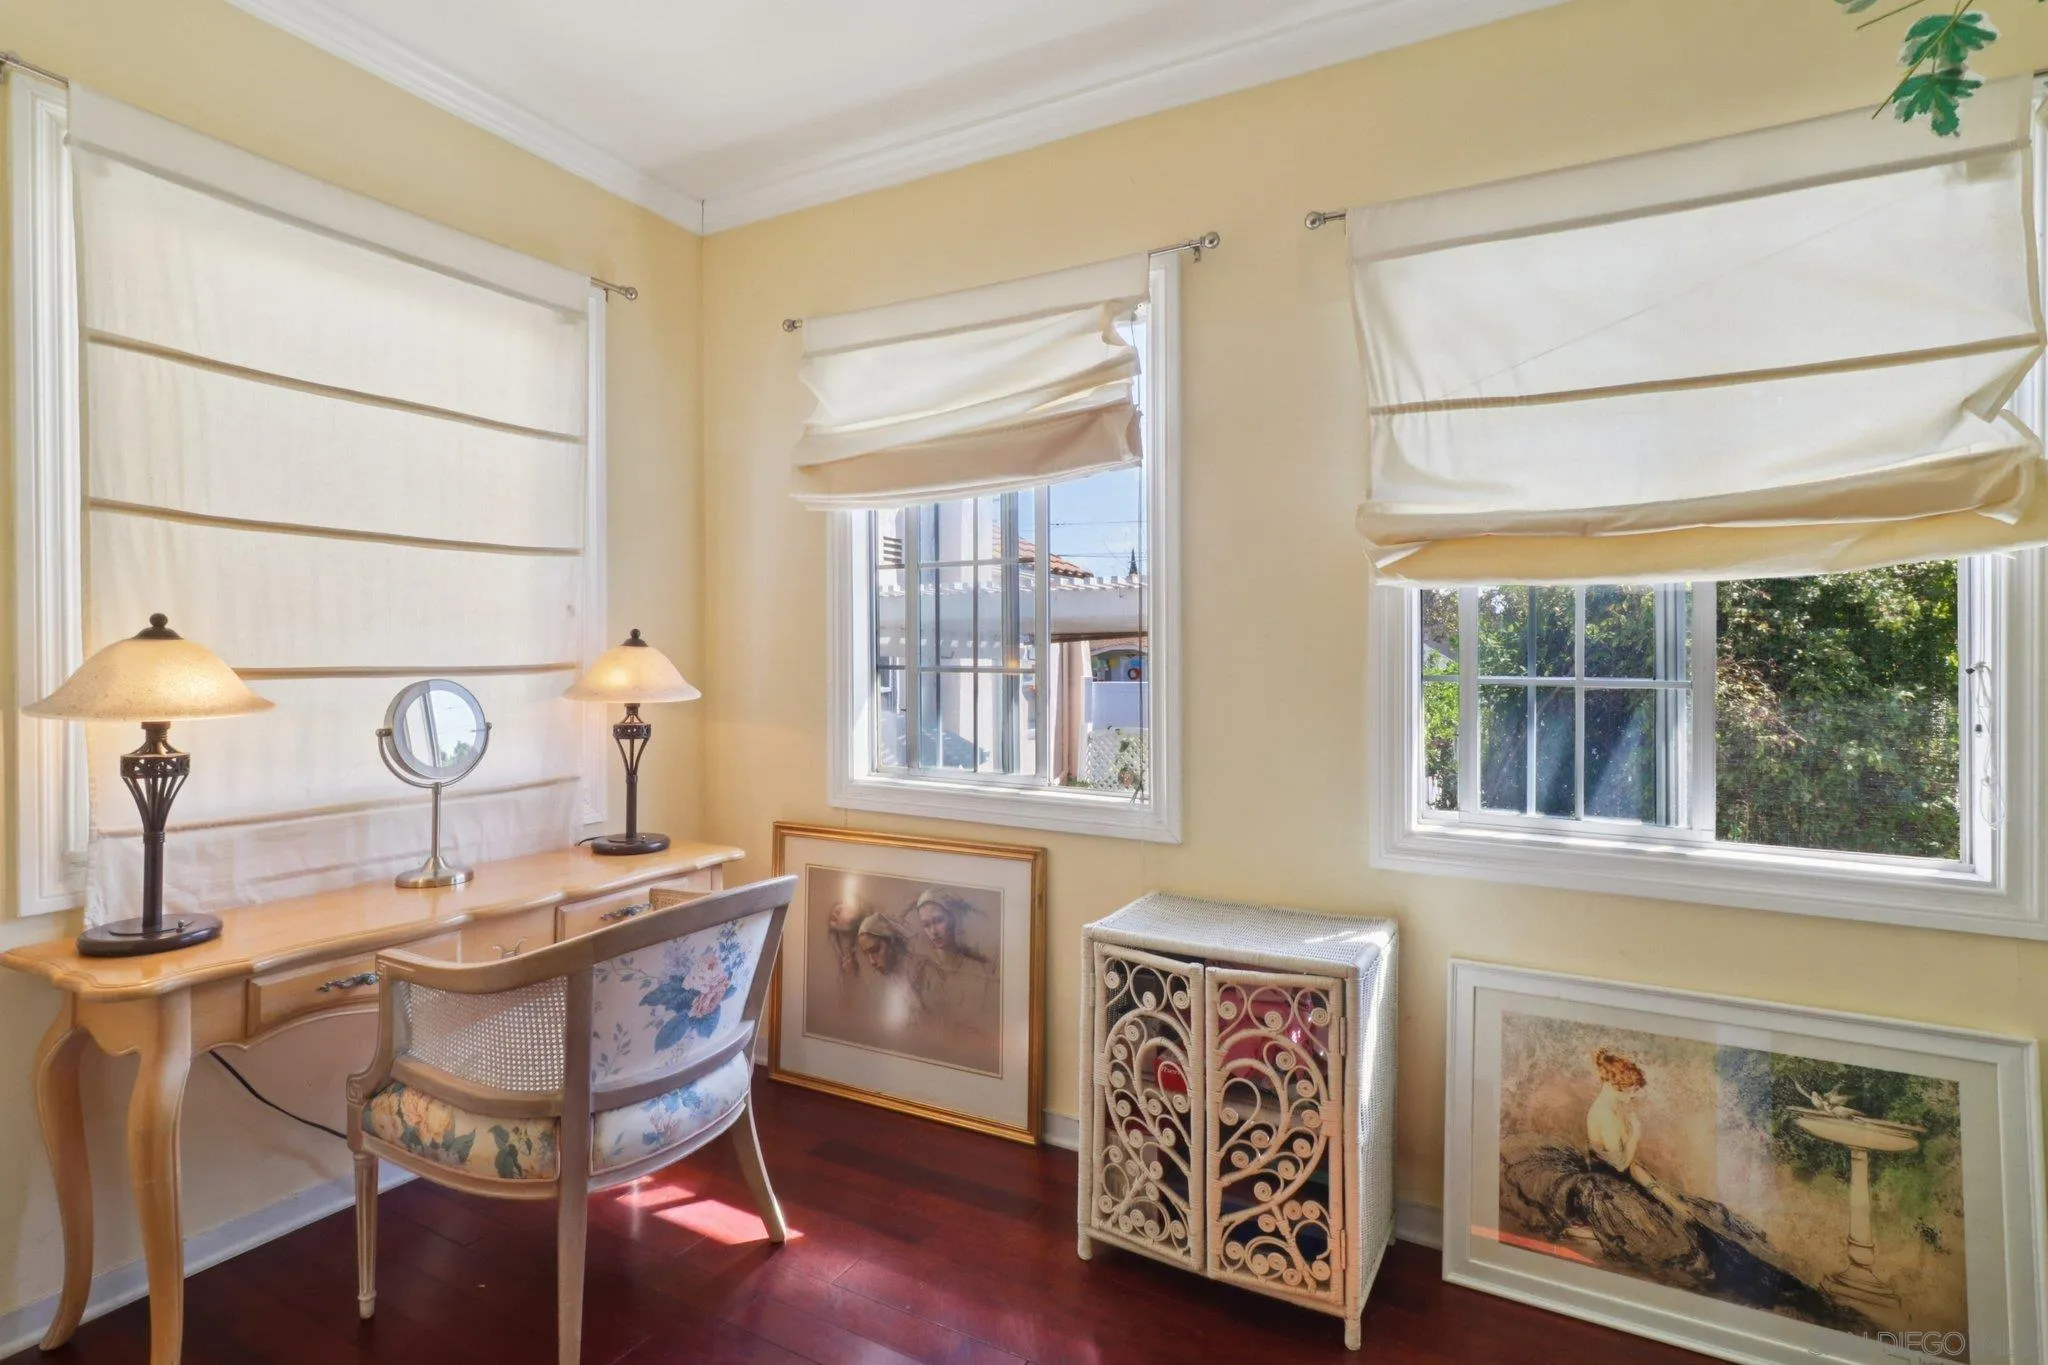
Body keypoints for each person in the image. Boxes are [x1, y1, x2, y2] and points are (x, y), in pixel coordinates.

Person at [1500, 1047, 1869, 1331]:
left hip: (1626, 1181)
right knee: (1679, 1239)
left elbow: (1635, 1170)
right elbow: (1621, 1165)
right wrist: (1638, 1138)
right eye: (1631, 1089)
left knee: (1701, 1215)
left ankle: (1786, 1289)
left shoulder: (1617, 1111)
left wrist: (1666, 1194)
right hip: (1609, 1188)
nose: (1635, 1095)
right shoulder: (1603, 1114)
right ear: (1615, 1085)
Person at [905, 889, 998, 1042]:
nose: (934, 931)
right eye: (926, 925)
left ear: (953, 919)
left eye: (939, 920)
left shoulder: (979, 971)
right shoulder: (921, 972)